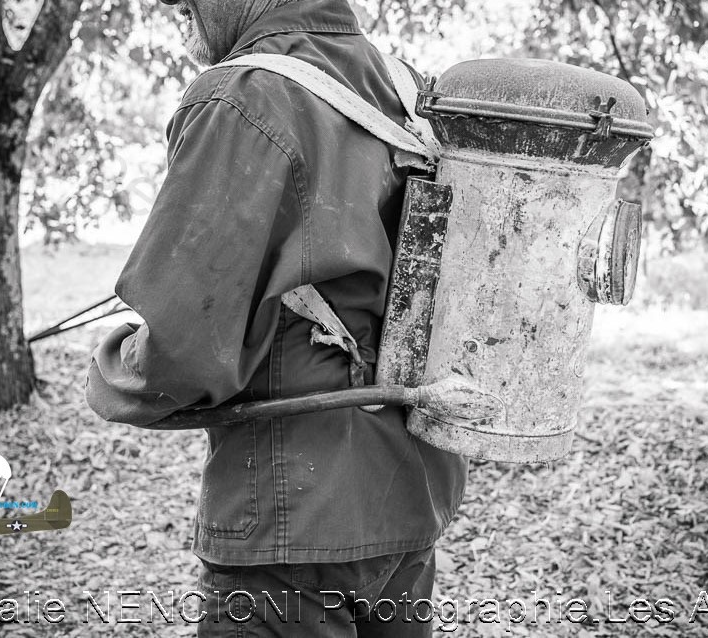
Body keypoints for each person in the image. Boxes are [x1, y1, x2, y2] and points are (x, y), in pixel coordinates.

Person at [84, 0, 468, 635]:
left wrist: (113, 373)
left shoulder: (242, 97)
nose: (171, 8)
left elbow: (182, 354)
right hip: (409, 500)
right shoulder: (409, 87)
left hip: (293, 516)